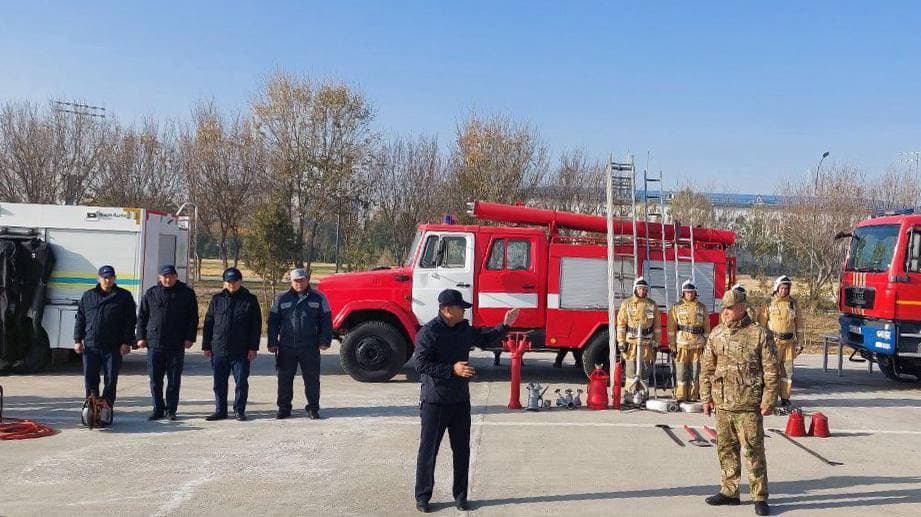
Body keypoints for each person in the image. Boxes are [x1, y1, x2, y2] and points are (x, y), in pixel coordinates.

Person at [413, 289, 518, 513]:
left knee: (462, 451)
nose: (464, 311)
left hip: (460, 401)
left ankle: (460, 496)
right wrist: (452, 369)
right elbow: (420, 365)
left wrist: (505, 325)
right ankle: (423, 496)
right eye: (461, 307)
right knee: (428, 451)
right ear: (446, 309)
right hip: (435, 402)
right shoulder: (429, 332)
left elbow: (484, 338)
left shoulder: (463, 330)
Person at [700, 288, 779, 516]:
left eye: (730, 307)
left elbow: (771, 370)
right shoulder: (716, 334)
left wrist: (769, 400)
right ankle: (729, 492)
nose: (725, 311)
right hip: (723, 405)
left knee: (753, 451)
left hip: (749, 405)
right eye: (724, 307)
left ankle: (760, 497)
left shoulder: (759, 334)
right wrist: (706, 397)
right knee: (725, 449)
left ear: (742, 307)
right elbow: (707, 369)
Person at [268, 268, 333, 420]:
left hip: (310, 346)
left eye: (302, 280)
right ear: (291, 281)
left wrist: (325, 341)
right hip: (286, 346)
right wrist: (272, 342)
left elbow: (326, 322)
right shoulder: (281, 299)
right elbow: (273, 322)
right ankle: (284, 408)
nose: (299, 283)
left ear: (307, 280)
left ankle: (313, 408)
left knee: (312, 379)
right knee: (284, 379)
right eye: (296, 280)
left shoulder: (319, 298)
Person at [136, 264, 199, 421]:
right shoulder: (151, 293)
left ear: (176, 276)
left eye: (171, 276)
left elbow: (193, 318)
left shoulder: (186, 293)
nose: (168, 279)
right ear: (160, 277)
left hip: (176, 344)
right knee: (155, 380)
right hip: (155, 343)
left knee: (173, 379)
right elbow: (142, 317)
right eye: (165, 276)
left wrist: (190, 338)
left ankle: (171, 410)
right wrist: (140, 337)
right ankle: (158, 409)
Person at [73, 265, 137, 411]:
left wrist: (127, 342)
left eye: (110, 277)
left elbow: (130, 320)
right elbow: (80, 319)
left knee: (111, 380)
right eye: (104, 277)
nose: (107, 280)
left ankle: (107, 407)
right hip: (91, 346)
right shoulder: (88, 295)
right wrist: (77, 340)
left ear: (114, 278)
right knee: (90, 379)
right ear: (99, 278)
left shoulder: (124, 296)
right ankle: (92, 406)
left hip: (113, 346)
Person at [201, 267, 262, 421]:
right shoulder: (217, 299)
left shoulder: (250, 300)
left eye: (234, 281)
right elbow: (209, 323)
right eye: (228, 281)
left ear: (240, 281)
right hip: (219, 349)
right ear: (224, 282)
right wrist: (206, 346)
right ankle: (220, 411)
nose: (231, 284)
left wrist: (253, 347)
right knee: (219, 383)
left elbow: (256, 326)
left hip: (241, 350)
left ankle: (239, 410)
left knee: (241, 382)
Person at [757, 275, 804, 408]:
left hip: (789, 344)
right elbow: (761, 325)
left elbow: (799, 325)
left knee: (787, 373)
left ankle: (785, 398)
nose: (784, 290)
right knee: (770, 372)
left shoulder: (793, 304)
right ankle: (768, 398)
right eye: (782, 288)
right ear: (777, 288)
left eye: (787, 288)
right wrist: (761, 344)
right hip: (773, 344)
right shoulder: (768, 303)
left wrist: (799, 343)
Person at [616, 277, 660, 403]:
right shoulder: (627, 304)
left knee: (645, 370)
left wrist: (657, 342)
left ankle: (643, 395)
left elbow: (657, 326)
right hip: (631, 343)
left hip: (646, 343)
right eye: (640, 289)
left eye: (644, 289)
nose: (642, 291)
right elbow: (621, 325)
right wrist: (621, 342)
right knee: (630, 370)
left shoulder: (652, 304)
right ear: (635, 289)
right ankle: (630, 396)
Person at [667, 280, 710, 401]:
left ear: (695, 293)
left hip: (697, 345)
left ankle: (693, 396)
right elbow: (671, 327)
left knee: (695, 372)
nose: (689, 294)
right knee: (681, 372)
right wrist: (672, 345)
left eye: (692, 292)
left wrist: (707, 345)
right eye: (687, 292)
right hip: (682, 345)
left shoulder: (701, 308)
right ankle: (681, 396)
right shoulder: (676, 307)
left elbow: (706, 326)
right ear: (683, 293)